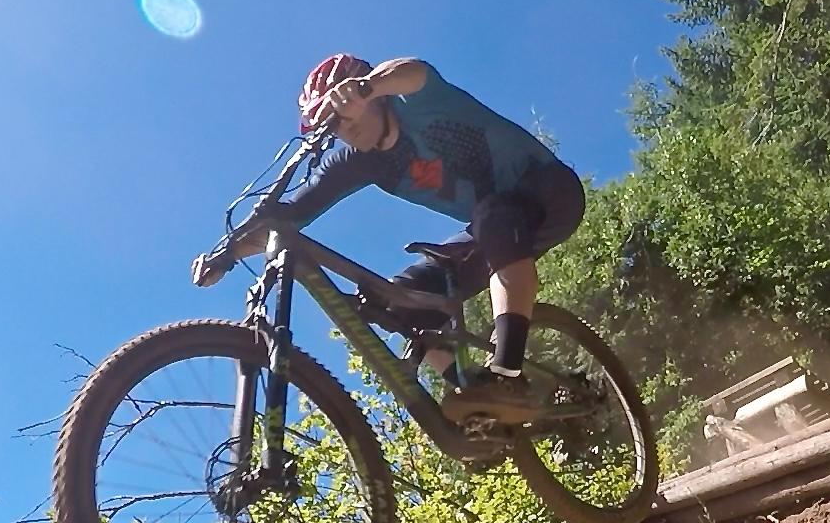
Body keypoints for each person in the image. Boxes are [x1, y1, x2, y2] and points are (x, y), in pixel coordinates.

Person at [213, 53, 585, 421]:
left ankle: (506, 376)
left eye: (344, 110)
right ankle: (480, 400)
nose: (343, 126)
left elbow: (414, 71)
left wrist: (367, 85)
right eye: (330, 123)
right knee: (398, 301)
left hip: (549, 192)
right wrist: (227, 254)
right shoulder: (361, 161)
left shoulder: (415, 103)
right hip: (490, 229)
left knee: (494, 216)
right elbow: (292, 216)